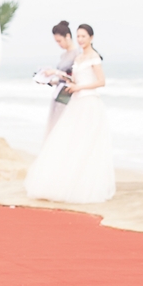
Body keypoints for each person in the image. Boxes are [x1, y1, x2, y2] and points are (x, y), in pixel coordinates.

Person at [24, 24, 115, 203]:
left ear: (91, 38)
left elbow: (101, 81)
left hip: (89, 102)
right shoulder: (79, 58)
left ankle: (86, 185)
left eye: (84, 36)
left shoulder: (94, 57)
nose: (80, 40)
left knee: (87, 143)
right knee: (70, 141)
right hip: (76, 102)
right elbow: (73, 78)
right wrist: (54, 76)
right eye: (78, 36)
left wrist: (79, 87)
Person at [41, 20, 82, 135]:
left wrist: (55, 72)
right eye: (56, 42)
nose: (59, 44)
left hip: (67, 96)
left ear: (67, 36)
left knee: (62, 127)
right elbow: (61, 79)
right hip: (58, 94)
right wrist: (49, 81)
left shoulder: (77, 54)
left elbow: (74, 78)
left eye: (59, 41)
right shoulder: (63, 55)